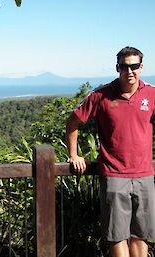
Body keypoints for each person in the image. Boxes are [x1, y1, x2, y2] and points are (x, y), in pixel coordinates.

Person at [66, 46, 155, 257]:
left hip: (144, 174)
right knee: (117, 236)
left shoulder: (152, 94)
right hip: (114, 175)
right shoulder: (101, 96)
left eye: (134, 66)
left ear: (141, 67)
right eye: (125, 66)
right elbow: (72, 122)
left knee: (141, 235)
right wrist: (74, 154)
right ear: (117, 68)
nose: (130, 71)